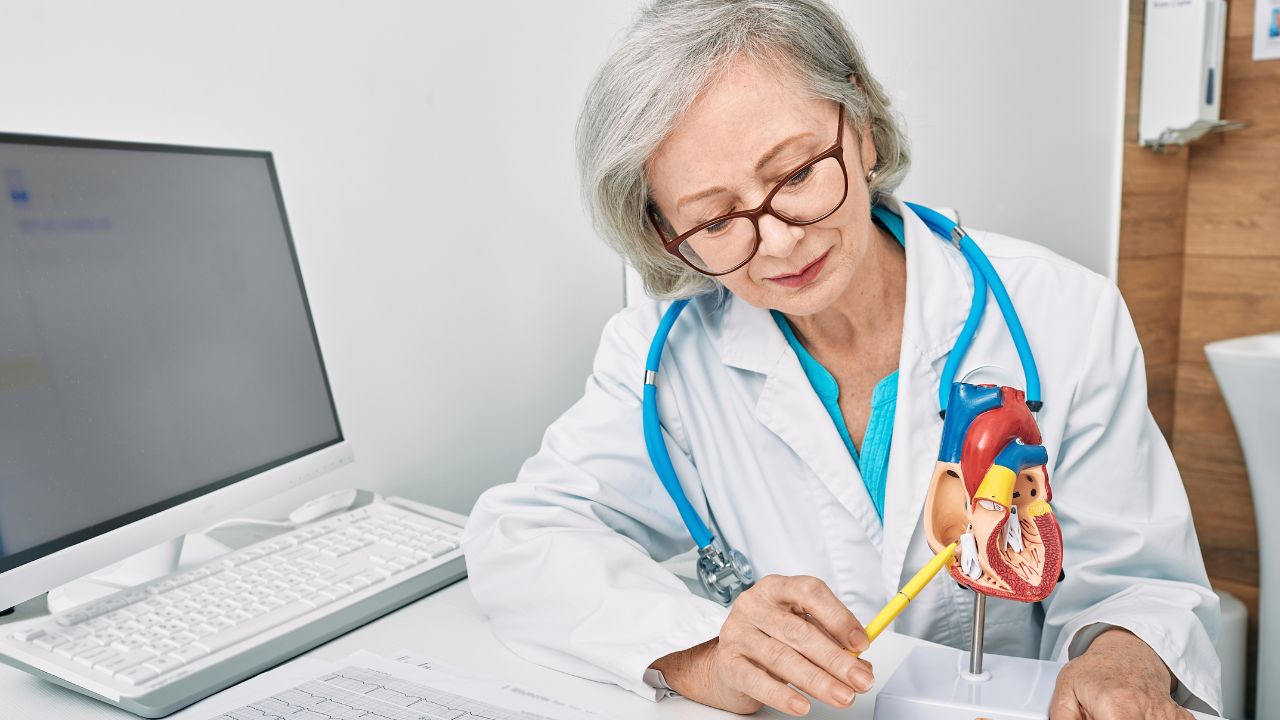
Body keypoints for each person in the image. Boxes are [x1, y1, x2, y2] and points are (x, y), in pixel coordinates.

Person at [462, 1, 1221, 717]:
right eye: (718, 217)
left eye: (796, 175)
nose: (781, 241)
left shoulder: (1062, 314)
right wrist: (702, 651)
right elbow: (520, 538)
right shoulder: (661, 355)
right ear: (663, 229)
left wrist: (1126, 656)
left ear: (858, 123)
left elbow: (1138, 584)